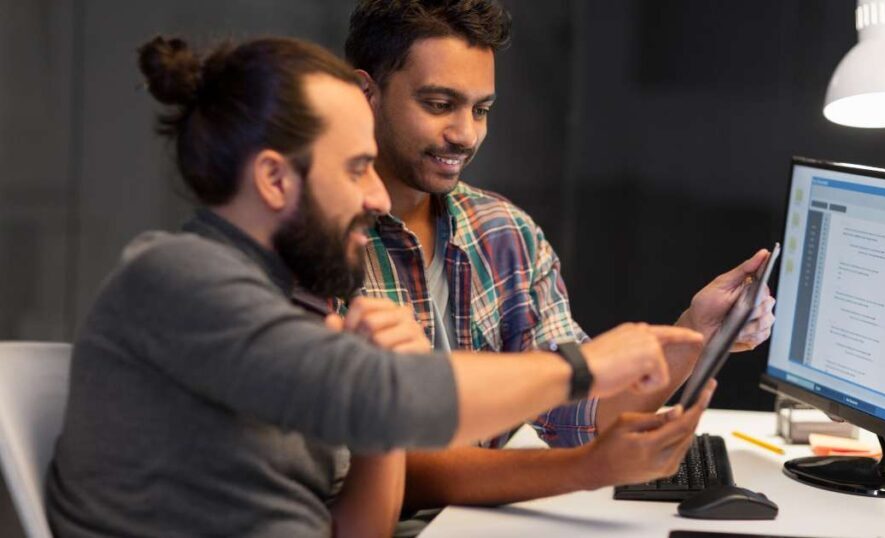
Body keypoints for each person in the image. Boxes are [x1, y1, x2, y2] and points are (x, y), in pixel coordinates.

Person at [44, 35, 706, 538]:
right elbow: (392, 398)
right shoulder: (177, 280)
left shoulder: (288, 304)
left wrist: (379, 421)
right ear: (275, 180)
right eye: (358, 167)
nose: (376, 197)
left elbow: (357, 525)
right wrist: (583, 368)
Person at [342, 0, 776, 514]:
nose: (466, 134)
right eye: (440, 104)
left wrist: (698, 334)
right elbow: (387, 469)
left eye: (481, 109)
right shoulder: (315, 242)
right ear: (365, 94)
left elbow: (582, 416)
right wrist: (587, 470)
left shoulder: (504, 232)